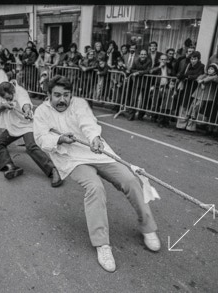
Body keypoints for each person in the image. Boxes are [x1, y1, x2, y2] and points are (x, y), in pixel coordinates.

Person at [33, 75, 160, 273]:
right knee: (95, 188)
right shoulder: (41, 112)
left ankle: (148, 227)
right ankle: (102, 244)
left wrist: (95, 138)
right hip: (71, 158)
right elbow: (40, 138)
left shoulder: (80, 104)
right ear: (48, 94)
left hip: (96, 152)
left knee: (130, 180)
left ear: (71, 94)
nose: (62, 100)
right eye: (57, 95)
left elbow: (88, 124)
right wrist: (59, 139)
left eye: (66, 95)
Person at [0, 81, 62, 186]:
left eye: (9, 97)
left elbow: (25, 103)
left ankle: (53, 170)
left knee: (31, 146)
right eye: (5, 98)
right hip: (12, 126)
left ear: (13, 91)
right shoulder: (0, 93)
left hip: (26, 125)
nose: (8, 99)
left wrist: (27, 110)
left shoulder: (20, 92)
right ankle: (10, 166)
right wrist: (4, 105)